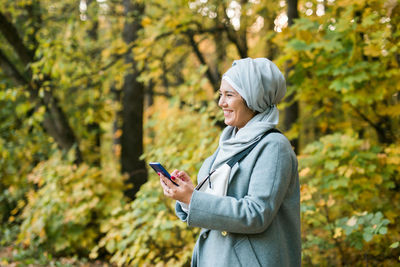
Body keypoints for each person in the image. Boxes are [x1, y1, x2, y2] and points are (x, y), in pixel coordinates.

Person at [159, 57, 301, 267]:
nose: (221, 103)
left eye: (229, 95)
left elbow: (256, 214)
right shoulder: (229, 142)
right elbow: (216, 205)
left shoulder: (274, 146)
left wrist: (193, 199)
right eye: (220, 95)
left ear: (253, 98)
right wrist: (189, 194)